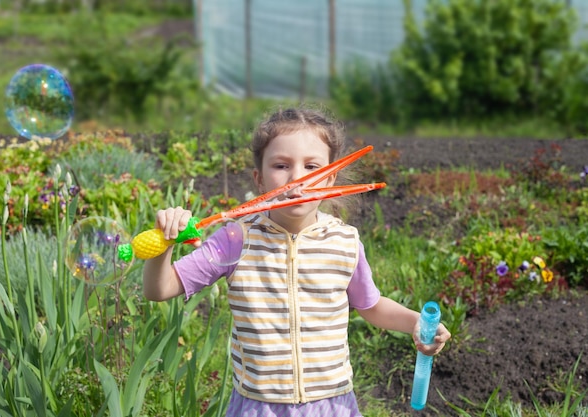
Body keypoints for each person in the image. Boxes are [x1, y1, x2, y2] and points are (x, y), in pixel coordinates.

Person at [143, 106, 451, 416]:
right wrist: (163, 244)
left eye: (312, 166)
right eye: (281, 165)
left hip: (331, 404)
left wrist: (417, 323)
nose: (296, 179)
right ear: (259, 179)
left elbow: (371, 306)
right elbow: (161, 288)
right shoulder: (236, 238)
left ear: (330, 179)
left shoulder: (344, 242)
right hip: (259, 406)